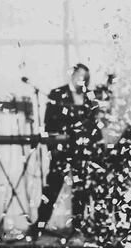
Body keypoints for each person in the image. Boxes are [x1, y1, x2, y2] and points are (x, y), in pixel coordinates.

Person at [29, 63, 102, 238]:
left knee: (80, 191)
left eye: (86, 79)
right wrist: (53, 149)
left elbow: (94, 123)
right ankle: (39, 226)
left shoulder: (89, 96)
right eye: (80, 78)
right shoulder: (57, 93)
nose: (83, 82)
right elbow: (49, 125)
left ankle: (77, 228)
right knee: (52, 188)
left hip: (81, 151)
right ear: (73, 76)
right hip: (61, 150)